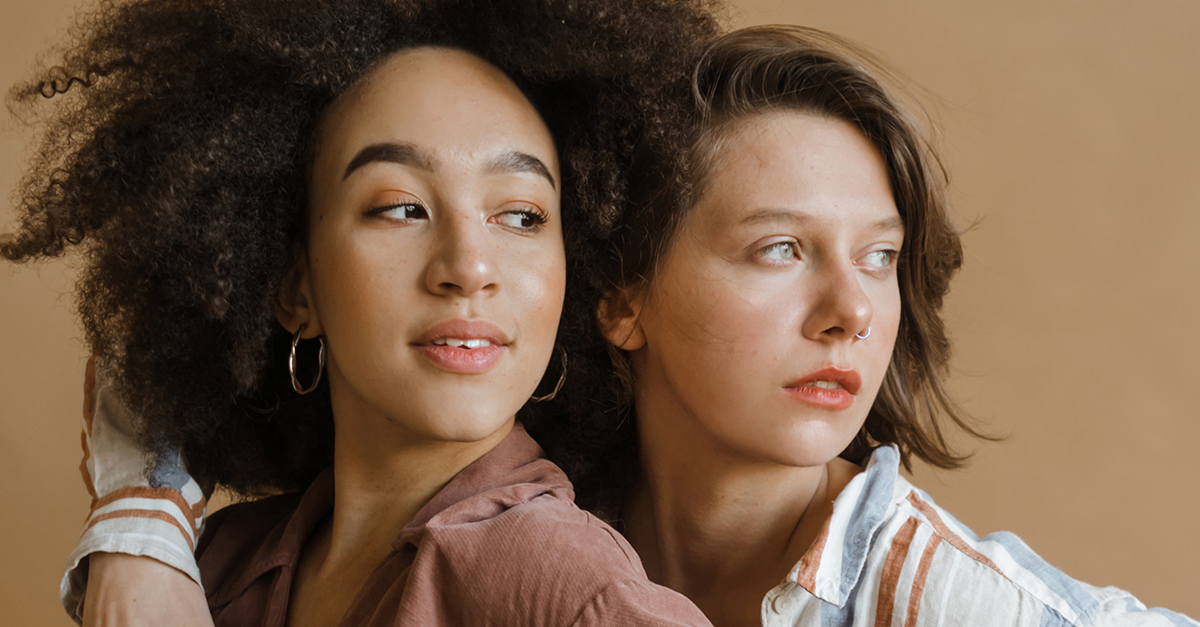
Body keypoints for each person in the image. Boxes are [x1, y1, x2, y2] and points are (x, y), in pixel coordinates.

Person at [0, 0, 720, 625]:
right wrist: (141, 541)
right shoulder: (219, 563)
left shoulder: (560, 583)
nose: (468, 266)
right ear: (293, 287)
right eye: (401, 207)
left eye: (523, 215)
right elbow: (125, 366)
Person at [557, 25, 1198, 626]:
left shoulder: (956, 603)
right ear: (621, 298)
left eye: (878, 258)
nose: (854, 310)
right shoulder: (521, 544)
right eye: (780, 248)